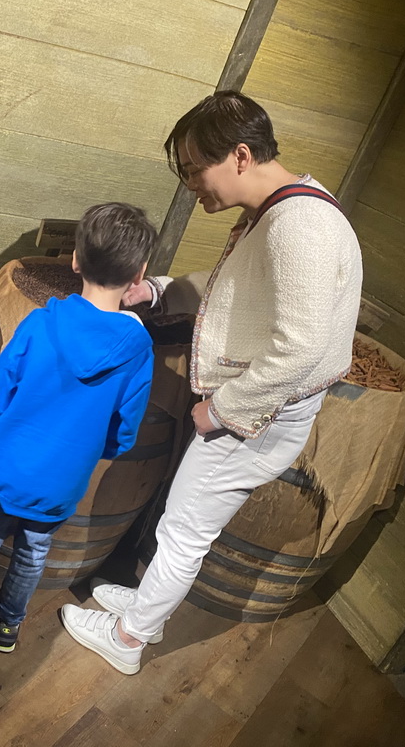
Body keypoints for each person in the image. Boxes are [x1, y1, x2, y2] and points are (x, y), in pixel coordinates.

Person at [59, 90, 363, 675]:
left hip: (260, 414)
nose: (193, 186)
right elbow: (235, 295)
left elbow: (302, 348)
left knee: (184, 528)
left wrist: (222, 410)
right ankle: (146, 606)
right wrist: (157, 291)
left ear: (241, 156)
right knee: (185, 519)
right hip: (260, 407)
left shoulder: (300, 226)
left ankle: (129, 637)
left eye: (196, 171)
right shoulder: (283, 210)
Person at [0, 202, 158, 659]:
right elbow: (125, 430)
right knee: (33, 553)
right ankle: (7, 627)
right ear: (140, 274)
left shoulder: (40, 323)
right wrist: (94, 450)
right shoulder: (137, 349)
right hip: (63, 479)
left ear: (75, 260)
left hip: (2, 467)